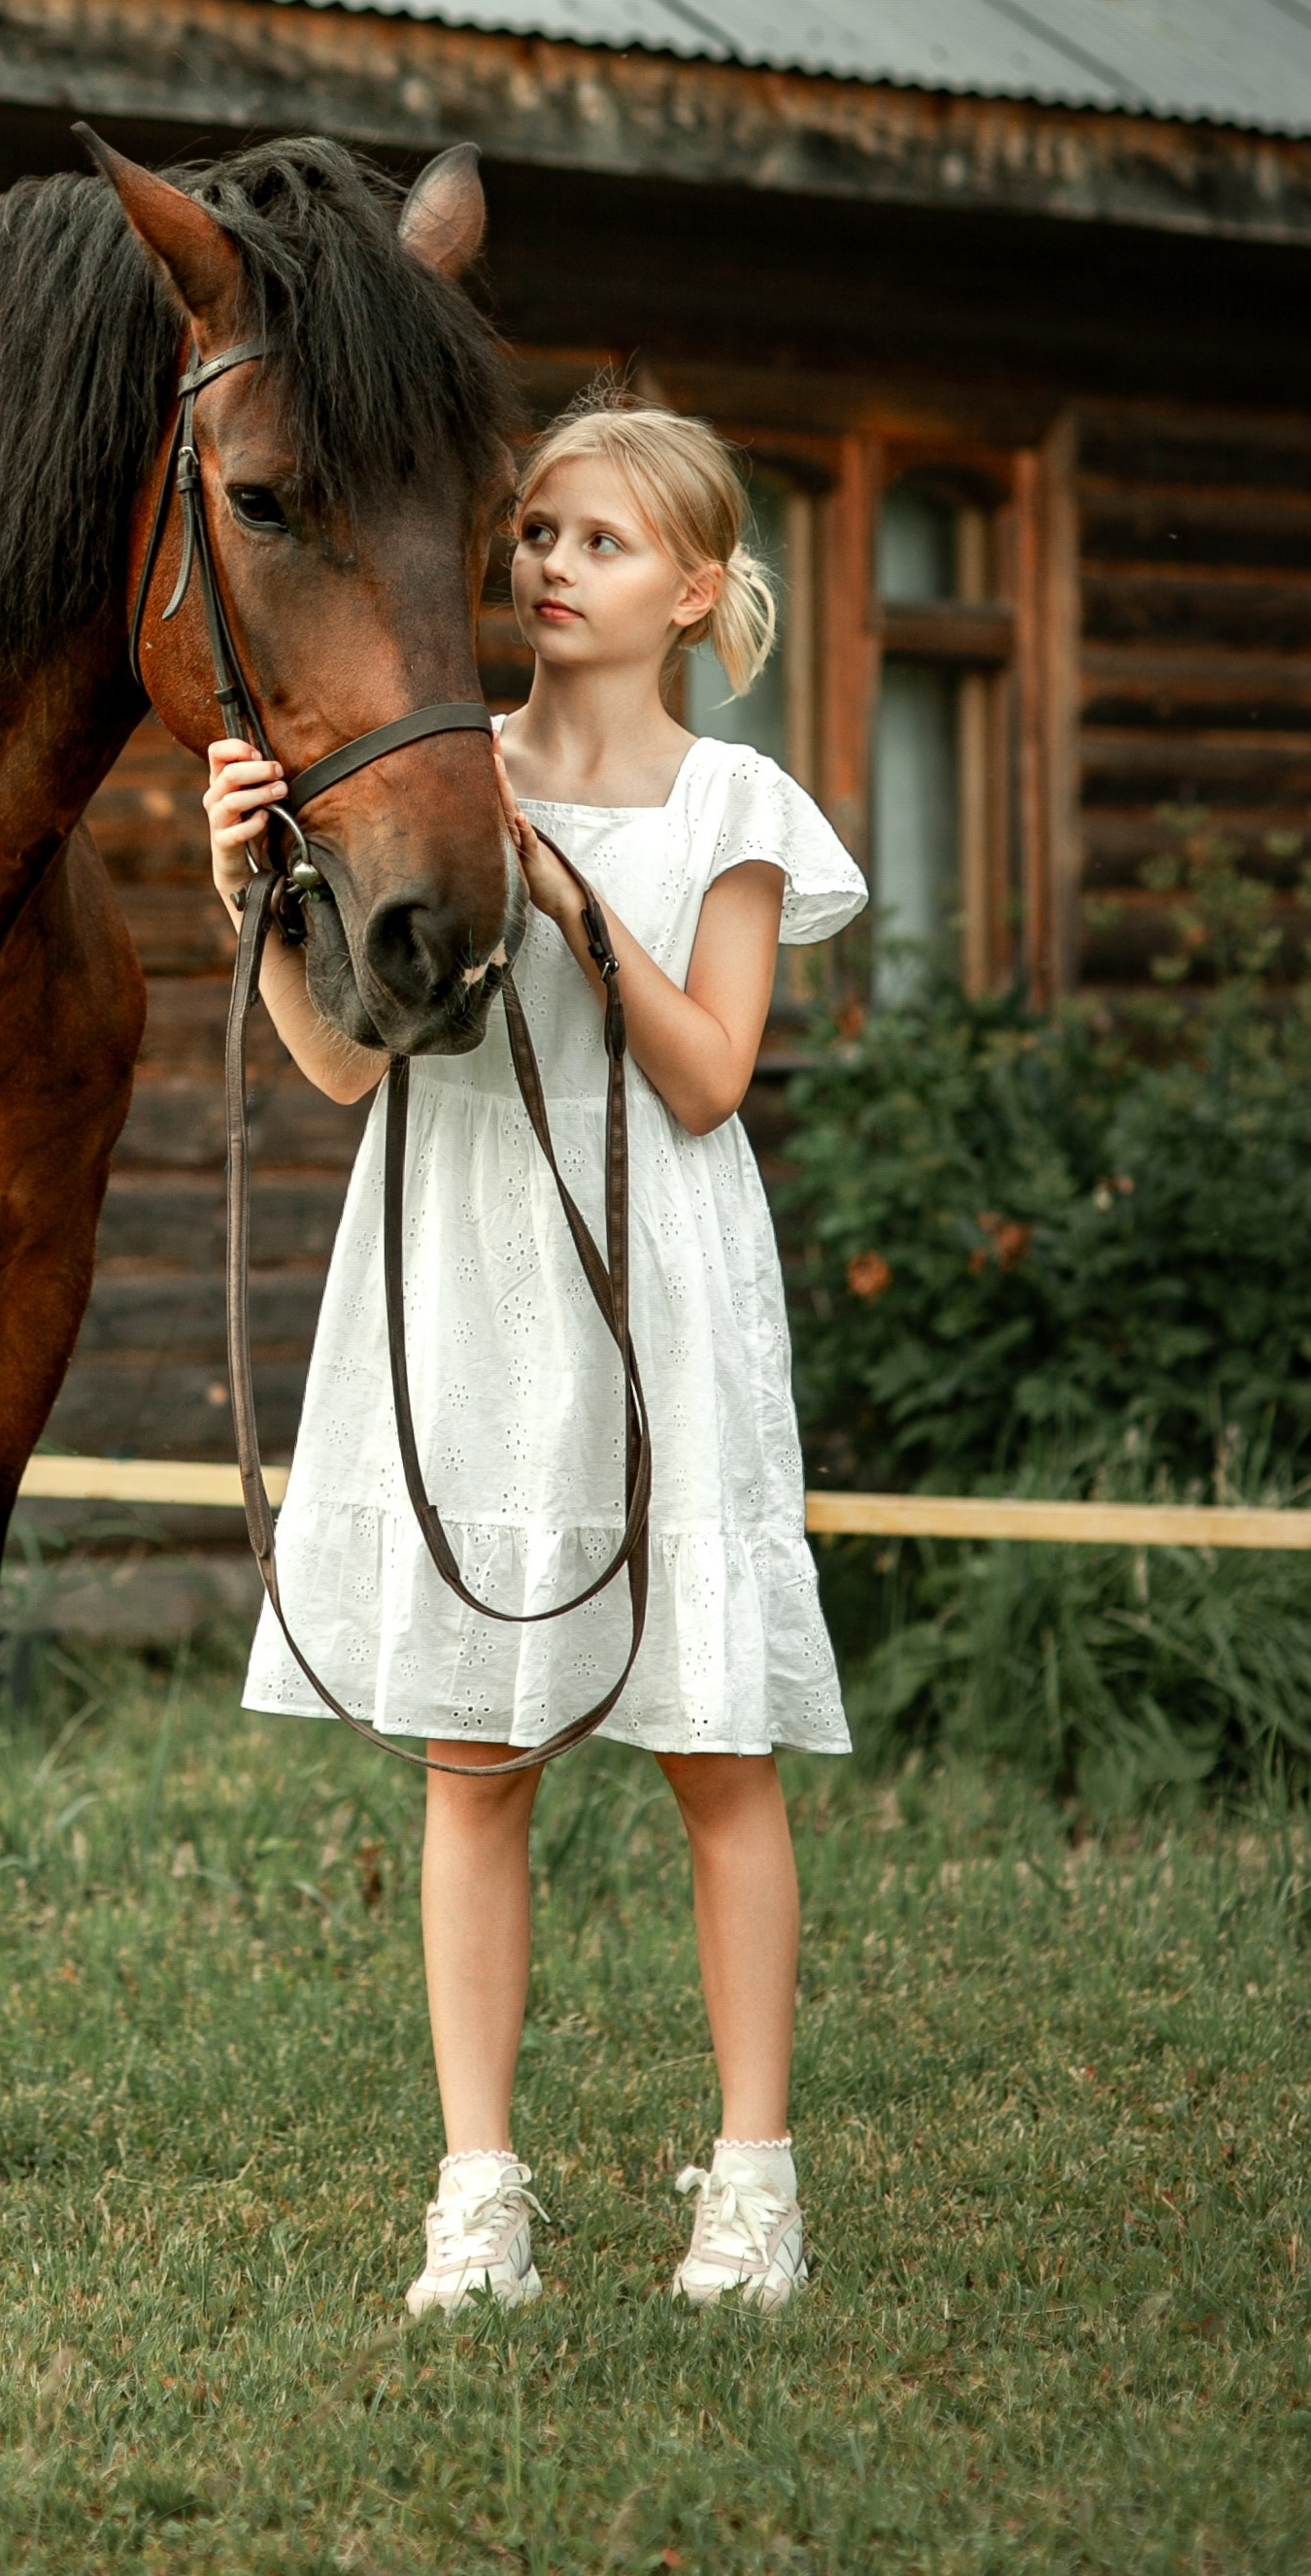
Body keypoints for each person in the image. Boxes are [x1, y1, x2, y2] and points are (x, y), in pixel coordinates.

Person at [209, 391, 866, 2318]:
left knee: (716, 1745)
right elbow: (342, 1060)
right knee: (472, 1754)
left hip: (660, 1290)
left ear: (689, 587)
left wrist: (577, 906)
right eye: (537, 535)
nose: (547, 565)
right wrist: (257, 891)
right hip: (467, 1266)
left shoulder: (734, 810)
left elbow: (708, 1074)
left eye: (594, 540)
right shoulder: (435, 773)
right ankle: (478, 2183)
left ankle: (755, 2174)